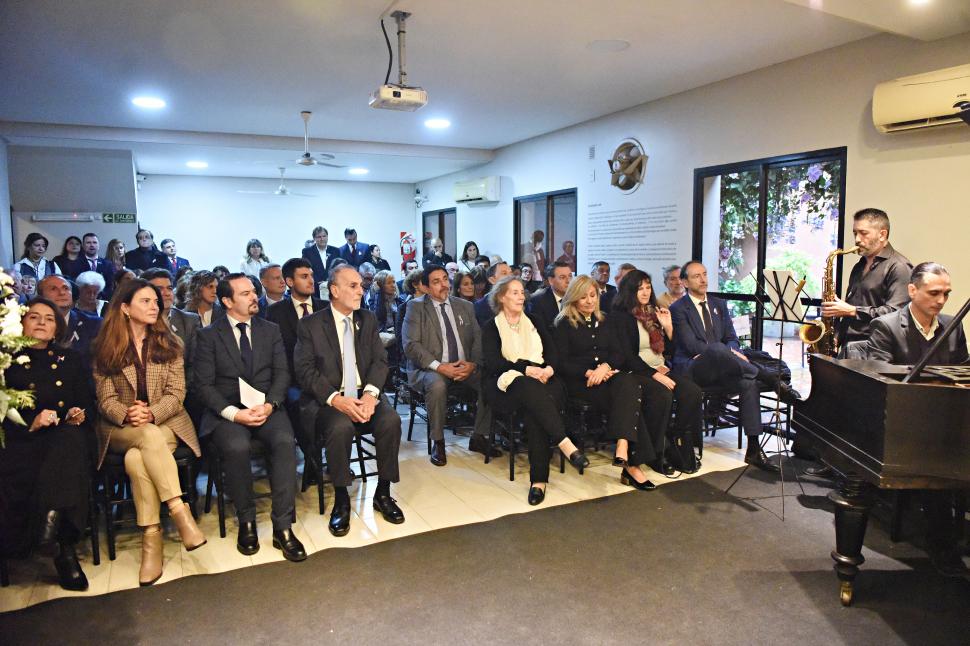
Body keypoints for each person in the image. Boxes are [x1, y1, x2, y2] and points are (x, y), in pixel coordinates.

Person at [92, 279, 206, 586]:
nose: (154, 305)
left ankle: (151, 539)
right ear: (125, 308)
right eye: (145, 301)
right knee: (144, 437)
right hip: (121, 427)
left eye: (156, 301)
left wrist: (152, 413)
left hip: (165, 423)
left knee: (137, 457)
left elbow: (176, 393)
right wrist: (128, 414)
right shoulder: (106, 347)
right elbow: (105, 399)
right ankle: (179, 510)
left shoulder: (169, 343)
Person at [864, 262, 968, 576]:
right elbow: (880, 381)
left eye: (946, 294)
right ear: (912, 290)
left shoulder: (952, 326)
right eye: (934, 293)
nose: (941, 300)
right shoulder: (887, 326)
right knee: (938, 467)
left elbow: (962, 370)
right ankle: (943, 547)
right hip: (903, 424)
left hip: (945, 419)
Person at [193, 273, 305, 561]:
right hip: (228, 412)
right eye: (245, 294)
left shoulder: (270, 330)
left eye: (254, 291)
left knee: (283, 440)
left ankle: (283, 527)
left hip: (267, 407)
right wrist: (235, 414)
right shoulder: (208, 336)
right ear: (227, 301)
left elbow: (283, 373)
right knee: (236, 447)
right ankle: (247, 520)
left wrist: (270, 405)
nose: (254, 296)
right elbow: (203, 385)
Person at [294, 265, 404, 537]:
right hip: (329, 399)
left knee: (390, 420)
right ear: (334, 290)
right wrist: (335, 399)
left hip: (365, 393)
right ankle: (342, 497)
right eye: (353, 286)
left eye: (360, 285)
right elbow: (305, 371)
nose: (361, 290)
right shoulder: (310, 325)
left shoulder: (366, 319)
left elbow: (380, 361)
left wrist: (370, 394)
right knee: (340, 427)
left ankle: (384, 492)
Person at [0, 299, 93, 591]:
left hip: (64, 437)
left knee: (69, 440)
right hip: (22, 440)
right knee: (65, 455)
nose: (41, 322)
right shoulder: (7, 360)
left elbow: (85, 401)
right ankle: (62, 549)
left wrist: (78, 413)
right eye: (34, 317)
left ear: (56, 329)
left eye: (49, 319)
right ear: (21, 324)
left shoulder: (71, 359)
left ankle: (53, 531)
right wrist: (32, 422)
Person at [481, 277, 589, 505]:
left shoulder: (536, 321)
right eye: (515, 292)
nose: (521, 296)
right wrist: (526, 369)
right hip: (507, 385)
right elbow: (494, 364)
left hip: (544, 379)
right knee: (528, 388)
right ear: (501, 297)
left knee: (536, 410)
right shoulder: (492, 327)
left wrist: (548, 369)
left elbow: (553, 353)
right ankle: (566, 445)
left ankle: (538, 482)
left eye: (522, 292)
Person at [668, 261, 780, 472]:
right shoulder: (678, 308)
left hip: (723, 367)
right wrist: (724, 352)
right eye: (696, 276)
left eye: (704, 274)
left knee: (748, 383)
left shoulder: (719, 304)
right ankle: (768, 376)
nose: (703, 280)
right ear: (684, 282)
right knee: (717, 349)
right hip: (694, 368)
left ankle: (754, 449)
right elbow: (692, 346)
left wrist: (728, 351)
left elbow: (732, 339)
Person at [552, 275, 656, 489]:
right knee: (629, 399)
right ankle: (630, 463)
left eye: (593, 295)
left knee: (629, 383)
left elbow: (619, 354)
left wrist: (606, 367)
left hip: (606, 376)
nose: (590, 301)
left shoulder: (605, 319)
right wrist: (589, 372)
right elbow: (561, 363)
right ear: (573, 299)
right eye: (583, 297)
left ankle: (623, 445)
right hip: (581, 383)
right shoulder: (563, 323)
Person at [609, 270, 703, 474]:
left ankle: (673, 438)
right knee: (663, 395)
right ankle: (655, 452)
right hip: (636, 372)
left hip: (660, 368)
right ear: (629, 290)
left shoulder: (654, 312)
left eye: (647, 287)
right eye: (639, 288)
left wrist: (668, 328)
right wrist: (654, 374)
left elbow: (669, 350)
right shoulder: (621, 317)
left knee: (692, 393)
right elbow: (627, 356)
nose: (644, 292)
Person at [402, 265, 497, 466]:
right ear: (426, 288)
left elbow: (477, 339)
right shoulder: (416, 307)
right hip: (430, 368)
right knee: (437, 385)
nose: (443, 284)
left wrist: (472, 364)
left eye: (445, 279)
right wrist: (440, 366)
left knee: (491, 380)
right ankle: (438, 441)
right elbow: (411, 345)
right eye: (436, 282)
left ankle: (479, 436)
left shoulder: (465, 306)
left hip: (464, 366)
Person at [823, 208, 912, 355]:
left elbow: (897, 314)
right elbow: (848, 310)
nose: (857, 239)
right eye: (855, 233)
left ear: (882, 234)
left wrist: (852, 311)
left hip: (876, 350)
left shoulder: (899, 267)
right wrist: (837, 336)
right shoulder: (859, 266)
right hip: (850, 349)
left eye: (863, 233)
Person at [141, 268, 202, 400]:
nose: (166, 293)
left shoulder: (190, 321)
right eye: (159, 289)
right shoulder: (137, 324)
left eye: (169, 288)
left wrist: (175, 395)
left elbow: (194, 365)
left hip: (182, 394)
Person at [36, 275, 102, 368]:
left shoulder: (94, 324)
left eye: (66, 288)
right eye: (53, 289)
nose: (62, 292)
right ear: (40, 296)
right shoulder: (32, 325)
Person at [527, 261, 573, 331]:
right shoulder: (538, 302)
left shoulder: (578, 298)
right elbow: (541, 333)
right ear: (551, 280)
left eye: (570, 276)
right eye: (562, 277)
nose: (568, 281)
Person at [474, 261, 512, 326]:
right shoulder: (481, 306)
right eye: (504, 273)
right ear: (492, 280)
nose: (510, 277)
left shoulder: (521, 300)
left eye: (511, 273)